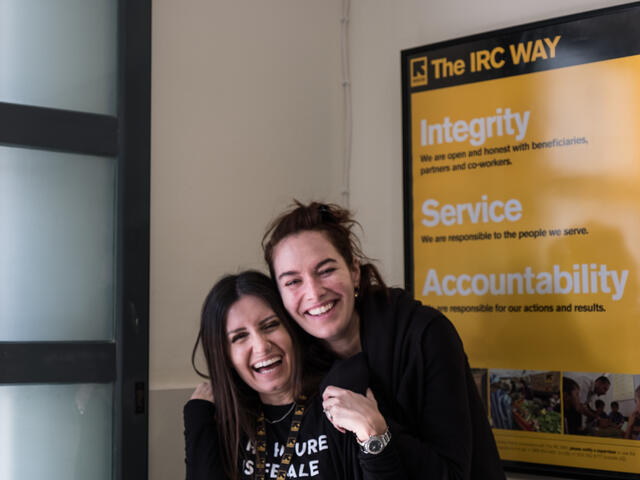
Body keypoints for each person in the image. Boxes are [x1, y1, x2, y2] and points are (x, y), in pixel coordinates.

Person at [262, 201, 505, 479]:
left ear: (354, 271)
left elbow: (451, 474)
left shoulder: (425, 335)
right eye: (293, 282)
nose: (314, 294)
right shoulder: (296, 361)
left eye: (326, 270)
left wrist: (375, 426)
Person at [184, 270, 406, 480]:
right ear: (225, 355)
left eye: (270, 325)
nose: (261, 347)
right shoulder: (225, 420)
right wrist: (197, 418)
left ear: (292, 329)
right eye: (240, 337)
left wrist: (375, 437)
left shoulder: (342, 391)